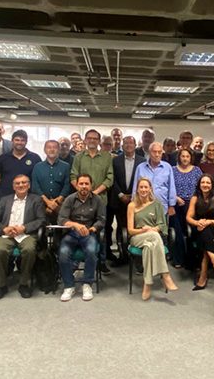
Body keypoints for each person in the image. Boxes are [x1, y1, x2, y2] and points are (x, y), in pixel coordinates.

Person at [0, 174, 46, 301]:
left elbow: (41, 220)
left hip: (26, 234)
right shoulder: (5, 200)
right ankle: (2, 285)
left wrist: (24, 228)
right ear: (13, 186)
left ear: (29, 185)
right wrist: (4, 229)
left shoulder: (36, 200)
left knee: (29, 250)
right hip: (7, 234)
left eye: (24, 182)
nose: (21, 185)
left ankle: (24, 283)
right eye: (17, 183)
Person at [70, 129, 114, 274]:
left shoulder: (107, 157)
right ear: (85, 140)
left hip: (100, 200)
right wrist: (83, 191)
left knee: (101, 231)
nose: (92, 140)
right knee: (81, 229)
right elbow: (73, 176)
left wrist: (94, 193)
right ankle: (78, 260)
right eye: (89, 138)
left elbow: (109, 178)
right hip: (81, 200)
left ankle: (101, 262)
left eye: (95, 138)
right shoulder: (79, 157)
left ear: (99, 141)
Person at [127, 177, 179, 300]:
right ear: (137, 189)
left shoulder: (157, 204)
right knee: (154, 236)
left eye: (146, 187)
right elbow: (130, 230)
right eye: (141, 187)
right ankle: (165, 275)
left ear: (150, 189)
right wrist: (144, 230)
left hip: (152, 239)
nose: (143, 189)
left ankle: (148, 284)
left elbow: (162, 225)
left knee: (149, 246)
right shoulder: (132, 205)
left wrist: (153, 229)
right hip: (137, 237)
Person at [58, 174, 105, 302]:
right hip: (71, 233)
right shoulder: (70, 199)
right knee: (63, 253)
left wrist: (93, 228)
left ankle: (87, 283)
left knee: (91, 251)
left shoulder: (97, 200)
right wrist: (75, 225)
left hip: (89, 233)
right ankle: (69, 286)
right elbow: (61, 219)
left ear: (91, 185)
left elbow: (101, 220)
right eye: (81, 184)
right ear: (77, 185)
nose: (84, 186)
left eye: (86, 184)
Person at [110, 136, 144, 265]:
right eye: (126, 143)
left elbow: (143, 180)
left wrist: (134, 195)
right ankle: (122, 255)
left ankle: (136, 257)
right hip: (119, 200)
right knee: (121, 227)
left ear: (135, 145)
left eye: (131, 143)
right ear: (122, 145)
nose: (128, 145)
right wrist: (121, 195)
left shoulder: (142, 161)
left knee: (135, 227)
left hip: (136, 201)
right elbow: (112, 179)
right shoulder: (115, 160)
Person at [187, 174, 214, 290]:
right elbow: (188, 217)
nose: (205, 185)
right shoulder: (194, 198)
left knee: (205, 233)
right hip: (197, 228)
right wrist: (198, 223)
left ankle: (203, 277)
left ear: (212, 185)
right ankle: (213, 258)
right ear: (199, 185)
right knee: (203, 232)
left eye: (208, 183)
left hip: (213, 228)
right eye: (203, 182)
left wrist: (208, 222)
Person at [172, 148, 203, 268]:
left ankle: (192, 260)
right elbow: (169, 186)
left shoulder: (197, 170)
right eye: (183, 156)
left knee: (193, 232)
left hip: (193, 204)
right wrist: (176, 198)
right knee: (178, 232)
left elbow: (201, 187)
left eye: (187, 156)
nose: (185, 158)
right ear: (179, 157)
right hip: (177, 204)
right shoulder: (173, 170)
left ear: (191, 158)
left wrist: (194, 200)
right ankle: (178, 259)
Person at [31, 140, 72, 225]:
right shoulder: (37, 167)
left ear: (59, 150)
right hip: (41, 204)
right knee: (41, 227)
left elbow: (67, 185)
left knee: (61, 227)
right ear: (44, 150)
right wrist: (47, 202)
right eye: (49, 147)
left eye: (55, 147)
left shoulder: (66, 166)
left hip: (60, 205)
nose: (52, 149)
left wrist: (57, 201)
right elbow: (35, 186)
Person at [132, 142, 177, 218]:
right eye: (154, 152)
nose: (157, 154)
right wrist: (134, 203)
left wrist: (171, 205)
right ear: (149, 153)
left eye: (159, 152)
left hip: (162, 207)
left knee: (162, 225)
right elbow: (135, 188)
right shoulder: (140, 167)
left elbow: (171, 187)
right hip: (143, 207)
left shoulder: (167, 167)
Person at [0, 130, 42, 198]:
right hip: (6, 197)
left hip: (29, 198)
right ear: (12, 141)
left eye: (22, 140)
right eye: (17, 140)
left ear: (26, 142)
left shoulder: (35, 158)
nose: (19, 142)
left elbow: (39, 179)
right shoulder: (3, 158)